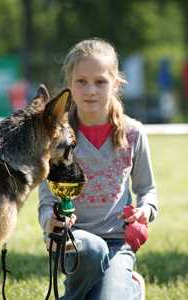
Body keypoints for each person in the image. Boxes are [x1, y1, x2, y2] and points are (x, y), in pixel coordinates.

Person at [38, 38, 158, 300]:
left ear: (116, 83)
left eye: (100, 81)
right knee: (92, 249)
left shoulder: (134, 133)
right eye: (81, 81)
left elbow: (147, 190)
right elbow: (47, 201)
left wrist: (144, 212)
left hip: (117, 243)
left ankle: (130, 285)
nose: (90, 90)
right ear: (69, 85)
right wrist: (51, 223)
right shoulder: (57, 136)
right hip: (73, 242)